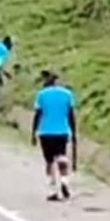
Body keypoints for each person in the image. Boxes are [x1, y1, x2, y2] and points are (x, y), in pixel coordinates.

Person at [32, 70, 77, 202]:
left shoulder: (41, 95)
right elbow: (71, 115)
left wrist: (33, 133)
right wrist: (73, 133)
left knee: (50, 161)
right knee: (61, 156)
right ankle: (64, 180)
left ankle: (54, 190)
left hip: (45, 132)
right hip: (62, 131)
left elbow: (37, 115)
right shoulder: (67, 94)